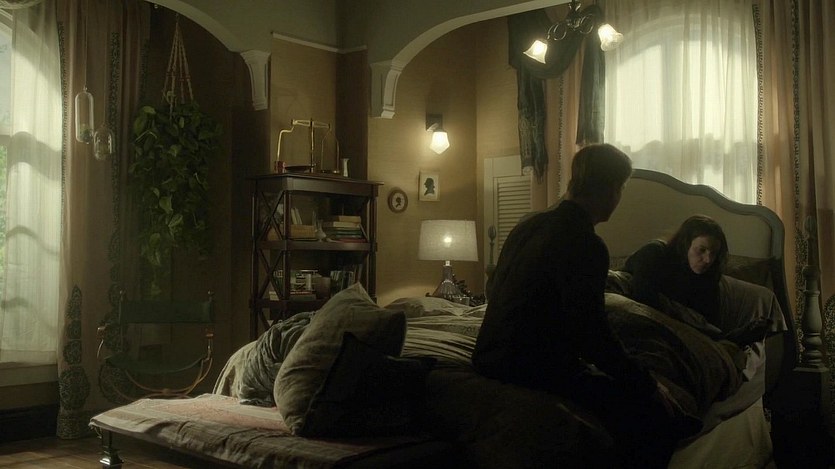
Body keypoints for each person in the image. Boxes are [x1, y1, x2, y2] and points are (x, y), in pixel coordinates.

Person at [472, 144, 697, 468]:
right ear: (612, 189)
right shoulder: (586, 243)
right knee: (652, 416)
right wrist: (646, 382)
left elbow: (495, 291)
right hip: (528, 366)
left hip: (487, 356)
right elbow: (592, 334)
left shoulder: (528, 226)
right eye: (621, 188)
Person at [622, 214, 771, 344]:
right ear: (685, 244)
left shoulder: (707, 277)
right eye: (701, 250)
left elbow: (708, 320)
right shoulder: (654, 253)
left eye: (713, 253)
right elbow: (643, 301)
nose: (708, 260)